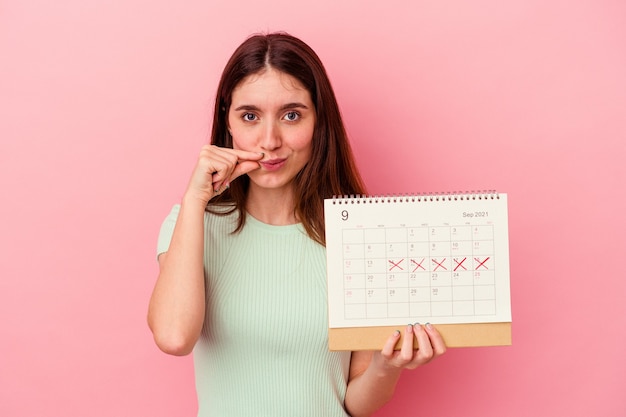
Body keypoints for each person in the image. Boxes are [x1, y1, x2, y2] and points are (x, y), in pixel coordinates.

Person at [147, 32, 446, 417]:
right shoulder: (191, 223)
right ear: (228, 122)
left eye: (291, 115)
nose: (270, 141)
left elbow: (353, 403)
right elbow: (173, 337)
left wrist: (386, 367)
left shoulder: (361, 235)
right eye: (250, 116)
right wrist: (194, 199)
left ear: (319, 122)